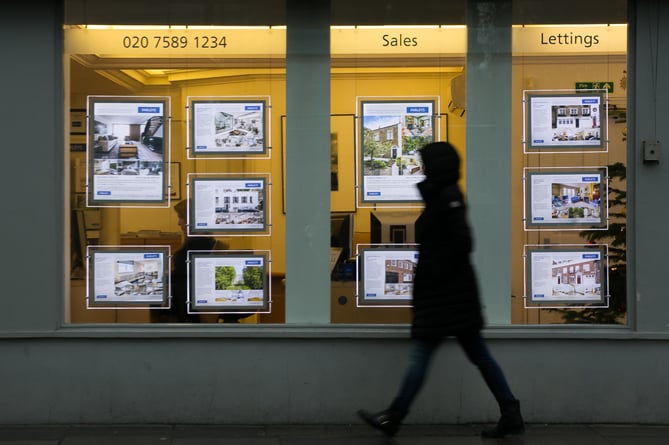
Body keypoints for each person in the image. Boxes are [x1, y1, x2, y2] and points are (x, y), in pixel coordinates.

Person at [357, 141, 525, 439]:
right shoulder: (442, 195)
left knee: (424, 354)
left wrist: (433, 275)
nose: (421, 168)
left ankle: (394, 417)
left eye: (425, 163)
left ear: (437, 166)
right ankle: (510, 412)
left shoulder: (448, 197)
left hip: (446, 296)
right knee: (479, 356)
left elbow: (462, 243)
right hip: (452, 296)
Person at [151, 200, 216, 323]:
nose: (178, 222)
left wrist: (162, 275)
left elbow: (181, 276)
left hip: (183, 304)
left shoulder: (194, 246)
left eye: (181, 218)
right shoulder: (207, 242)